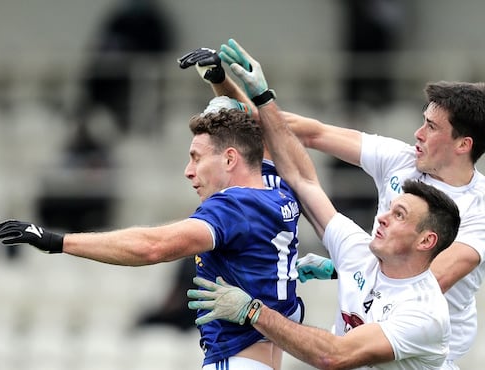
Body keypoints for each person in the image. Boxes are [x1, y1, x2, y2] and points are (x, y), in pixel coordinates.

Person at [187, 38, 462, 370]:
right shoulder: (361, 252)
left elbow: (334, 355)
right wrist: (247, 91)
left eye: (399, 214)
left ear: (426, 240)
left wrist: (253, 311)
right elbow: (301, 179)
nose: (383, 216)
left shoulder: (424, 314)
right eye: (389, 207)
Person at [0, 104, 303, 370]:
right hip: (267, 358)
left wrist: (58, 242)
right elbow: (251, 129)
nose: (188, 170)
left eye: (196, 157)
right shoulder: (278, 189)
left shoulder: (233, 206)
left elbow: (153, 247)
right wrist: (219, 78)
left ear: (229, 159)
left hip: (234, 359)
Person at [283, 72, 485, 368]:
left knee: (333, 354)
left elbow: (428, 278)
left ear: (463, 145)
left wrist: (347, 266)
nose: (418, 133)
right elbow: (314, 133)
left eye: (431, 126)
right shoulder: (402, 159)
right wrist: (243, 102)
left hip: (419, 353)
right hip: (369, 320)